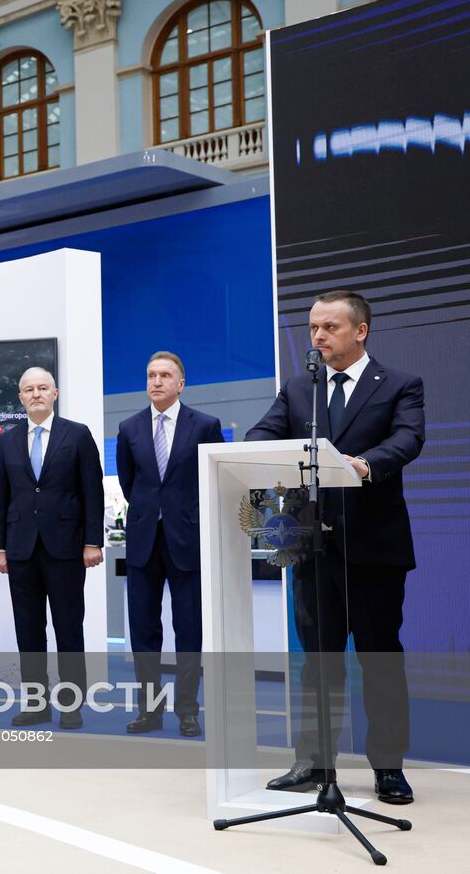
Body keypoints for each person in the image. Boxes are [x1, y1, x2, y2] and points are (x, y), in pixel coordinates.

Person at [246, 289, 423, 805]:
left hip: (374, 547)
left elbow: (408, 439)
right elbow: (263, 434)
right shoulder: (299, 388)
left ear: (360, 331)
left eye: (330, 327)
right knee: (318, 663)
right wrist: (248, 455)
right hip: (314, 546)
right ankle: (314, 762)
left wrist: (365, 464)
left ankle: (388, 766)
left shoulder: (400, 385)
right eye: (313, 328)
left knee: (379, 659)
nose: (318, 336)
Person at [115, 351, 225, 737]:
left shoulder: (205, 425)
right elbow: (129, 483)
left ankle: (187, 710)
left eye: (164, 375)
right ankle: (150, 710)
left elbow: (214, 480)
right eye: (151, 375)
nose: (156, 381)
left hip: (187, 539)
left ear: (181, 384)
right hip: (143, 540)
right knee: (144, 631)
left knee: (188, 629)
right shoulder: (129, 428)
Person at [0, 367, 104, 729]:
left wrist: (92, 541)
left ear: (55, 394)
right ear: (20, 398)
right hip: (20, 548)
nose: (36, 394)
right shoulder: (6, 441)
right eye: (29, 389)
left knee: (68, 627)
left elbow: (92, 491)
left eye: (42, 388)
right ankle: (36, 704)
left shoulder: (77, 434)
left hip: (67, 547)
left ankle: (71, 705)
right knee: (28, 629)